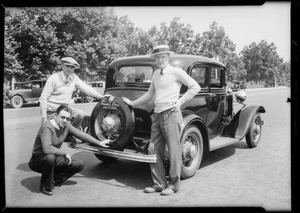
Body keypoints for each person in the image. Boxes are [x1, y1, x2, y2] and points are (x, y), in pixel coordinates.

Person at [122, 45, 201, 196]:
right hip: (157, 115)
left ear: (168, 57)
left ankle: (173, 185)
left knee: (173, 151)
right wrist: (132, 103)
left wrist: (180, 101)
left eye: (162, 57)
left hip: (171, 114)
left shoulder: (176, 72)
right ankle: (159, 184)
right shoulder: (156, 74)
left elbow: (194, 87)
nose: (159, 60)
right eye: (157, 57)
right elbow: (149, 94)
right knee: (153, 149)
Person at [28, 105, 111, 196]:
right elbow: (47, 148)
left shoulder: (66, 125)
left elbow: (80, 134)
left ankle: (57, 177)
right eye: (62, 117)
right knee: (50, 157)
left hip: (53, 158)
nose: (65, 120)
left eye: (67, 118)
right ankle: (45, 185)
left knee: (78, 164)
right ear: (56, 115)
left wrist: (99, 143)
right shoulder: (47, 126)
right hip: (38, 160)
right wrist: (65, 153)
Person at [39, 56, 104, 129]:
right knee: (55, 131)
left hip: (65, 110)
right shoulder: (53, 78)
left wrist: (101, 96)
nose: (69, 69)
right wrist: (44, 118)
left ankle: (70, 134)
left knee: (80, 114)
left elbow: (86, 88)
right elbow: (43, 98)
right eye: (67, 66)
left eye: (72, 67)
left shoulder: (74, 78)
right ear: (62, 66)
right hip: (52, 111)